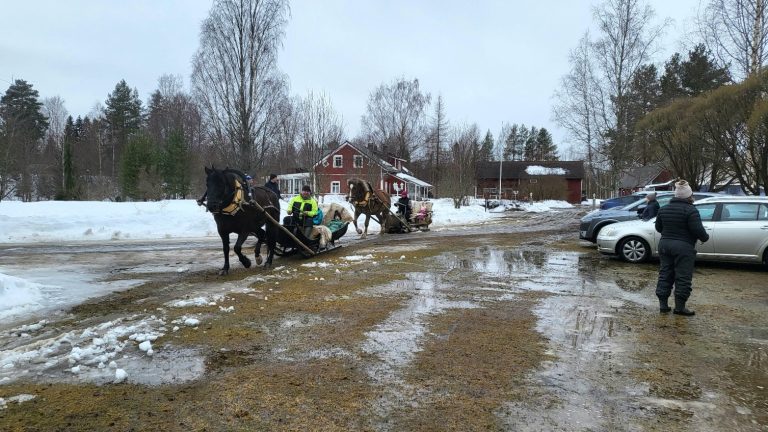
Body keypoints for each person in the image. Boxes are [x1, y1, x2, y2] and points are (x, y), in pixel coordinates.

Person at [654, 180, 709, 316]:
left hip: (665, 245)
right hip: (684, 247)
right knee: (683, 276)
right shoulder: (691, 210)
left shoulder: (663, 209)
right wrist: (704, 238)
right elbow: (698, 230)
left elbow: (658, 228)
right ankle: (679, 308)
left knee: (665, 273)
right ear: (689, 196)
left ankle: (663, 305)